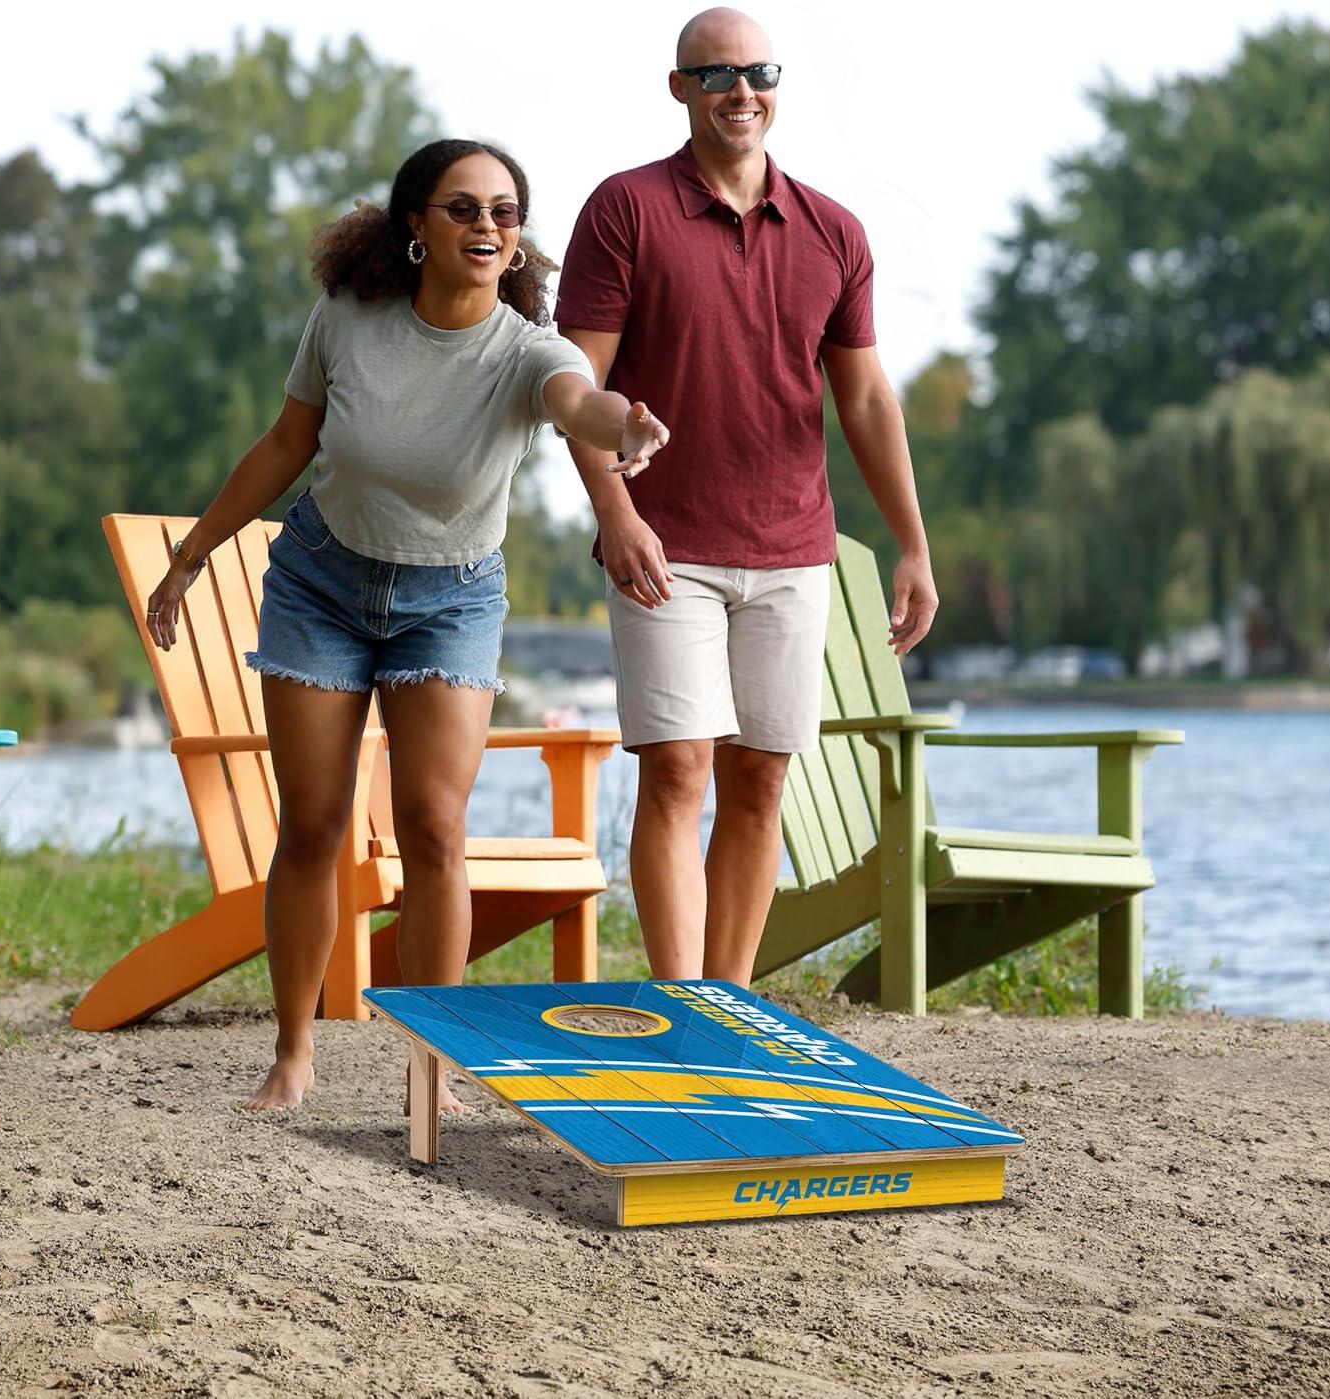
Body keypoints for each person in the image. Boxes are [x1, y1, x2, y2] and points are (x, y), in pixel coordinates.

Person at [145, 139, 669, 1111]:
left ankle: (434, 1066)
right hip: (321, 586)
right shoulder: (348, 319)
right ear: (417, 228)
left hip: (452, 600)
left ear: (517, 242)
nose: (486, 226)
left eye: (504, 213)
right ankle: (294, 1053)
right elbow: (286, 443)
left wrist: (623, 428)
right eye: (463, 208)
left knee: (434, 827)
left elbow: (577, 404)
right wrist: (195, 553)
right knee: (313, 823)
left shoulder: (528, 349)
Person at [556, 8, 937, 986]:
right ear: (679, 88)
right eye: (717, 75)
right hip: (664, 545)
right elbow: (574, 389)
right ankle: (683, 1003)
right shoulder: (624, 210)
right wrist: (617, 514)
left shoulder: (834, 232)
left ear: (777, 85)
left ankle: (728, 1003)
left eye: (758, 72)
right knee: (677, 768)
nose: (741, 91)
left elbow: (863, 397)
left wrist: (911, 545)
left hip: (792, 549)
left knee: (760, 779)